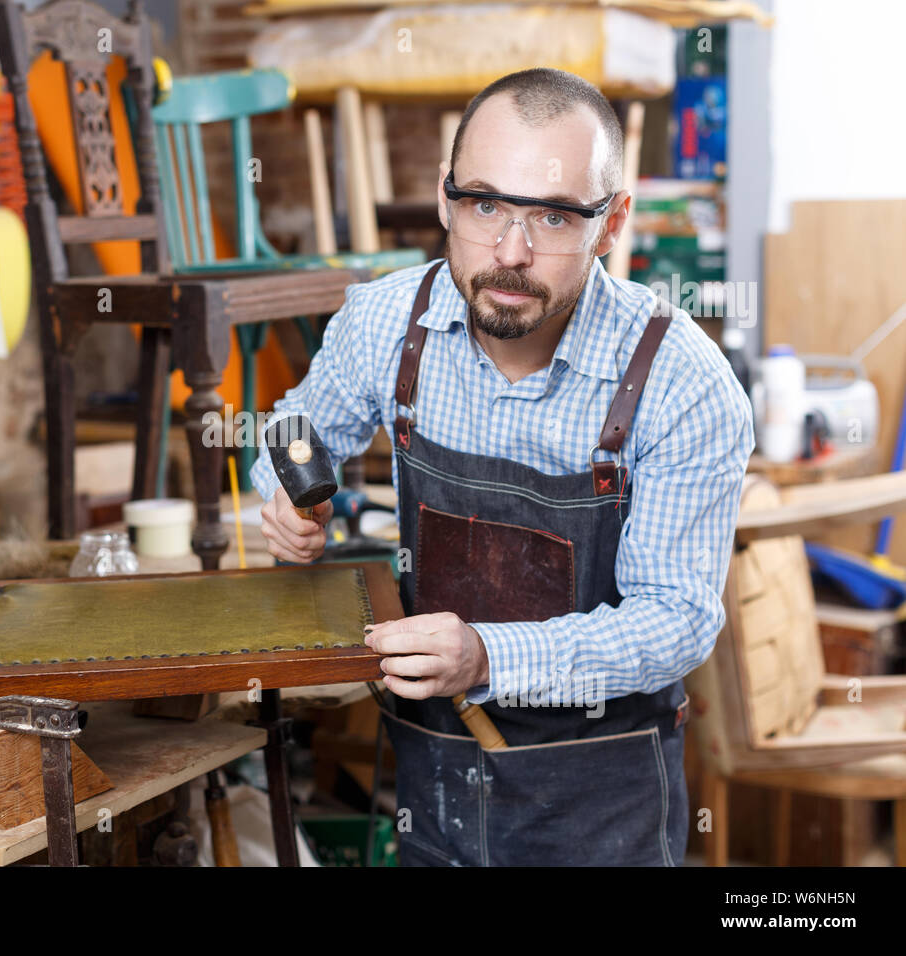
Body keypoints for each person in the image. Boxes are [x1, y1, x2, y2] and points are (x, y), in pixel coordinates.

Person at [250, 68, 753, 866]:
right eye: (485, 204)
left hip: (601, 808)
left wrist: (488, 656)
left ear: (612, 222)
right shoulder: (388, 321)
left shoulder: (682, 383)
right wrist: (285, 492)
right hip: (434, 784)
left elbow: (677, 619)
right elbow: (293, 426)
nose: (510, 253)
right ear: (446, 199)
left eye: (555, 216)